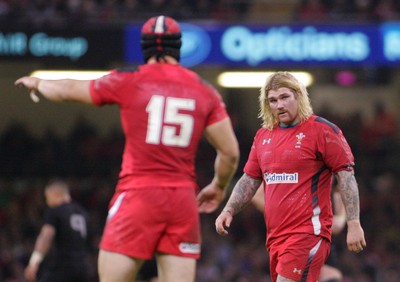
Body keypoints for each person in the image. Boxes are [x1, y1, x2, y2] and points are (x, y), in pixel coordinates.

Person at [16, 15, 239, 282]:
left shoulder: (129, 79)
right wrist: (218, 185)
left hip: (138, 195)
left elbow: (69, 89)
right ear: (178, 47)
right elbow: (230, 152)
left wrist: (39, 83)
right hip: (182, 200)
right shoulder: (204, 91)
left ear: (144, 47)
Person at [215, 71, 366, 282]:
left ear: (299, 96)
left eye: (285, 97)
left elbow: (346, 176)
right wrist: (229, 209)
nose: (279, 105)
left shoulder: (322, 130)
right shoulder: (263, 136)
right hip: (275, 238)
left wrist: (354, 223)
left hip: (308, 234)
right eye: (273, 100)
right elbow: (249, 179)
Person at [251, 180, 346, 282]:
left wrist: (341, 218)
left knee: (332, 277)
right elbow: (257, 195)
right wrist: (289, 217)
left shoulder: (329, 169)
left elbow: (341, 187)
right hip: (284, 239)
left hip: (319, 239)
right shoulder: (285, 168)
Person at [24, 179, 90, 282]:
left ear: (54, 193)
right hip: (83, 267)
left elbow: (46, 235)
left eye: (47, 197)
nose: (47, 201)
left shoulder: (55, 211)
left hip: (63, 266)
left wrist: (34, 262)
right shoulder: (82, 212)